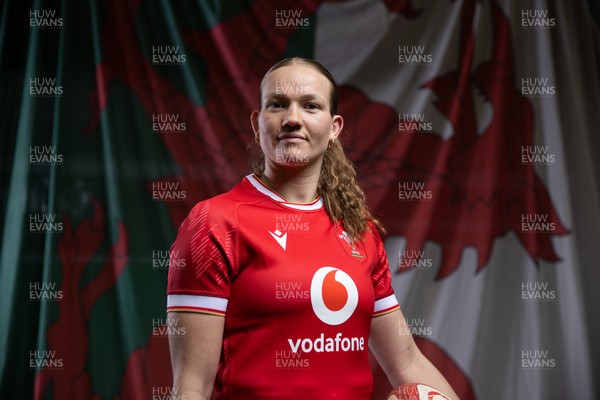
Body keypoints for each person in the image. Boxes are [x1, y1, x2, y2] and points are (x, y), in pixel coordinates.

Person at [166, 57, 459, 400]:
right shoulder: (214, 222)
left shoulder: (359, 230)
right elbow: (191, 387)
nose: (292, 119)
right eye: (276, 105)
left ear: (334, 127)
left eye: (310, 105)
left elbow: (407, 362)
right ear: (256, 122)